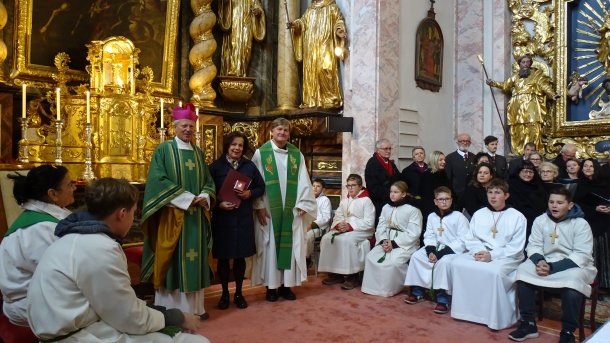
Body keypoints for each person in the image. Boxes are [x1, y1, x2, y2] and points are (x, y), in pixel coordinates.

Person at [27, 178, 210, 343]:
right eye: (133, 213)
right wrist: (177, 317)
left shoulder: (74, 237)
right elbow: (130, 318)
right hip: (80, 336)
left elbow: (118, 305)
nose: (133, 219)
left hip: (83, 325)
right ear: (122, 213)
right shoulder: (98, 249)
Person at [140, 103, 216, 320]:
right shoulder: (164, 150)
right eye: (184, 126)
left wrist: (205, 195)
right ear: (175, 127)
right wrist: (187, 199)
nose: (188, 130)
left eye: (192, 126)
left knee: (196, 259)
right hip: (173, 217)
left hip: (197, 218)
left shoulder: (199, 153)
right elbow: (157, 181)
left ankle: (196, 309)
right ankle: (172, 310)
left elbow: (208, 181)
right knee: (172, 260)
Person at [509, 188, 597, 343]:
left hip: (573, 265)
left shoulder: (580, 224)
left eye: (559, 203)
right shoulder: (540, 220)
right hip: (545, 261)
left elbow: (582, 254)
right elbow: (534, 245)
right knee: (523, 271)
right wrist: (540, 261)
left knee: (573, 284)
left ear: (570, 205)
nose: (554, 206)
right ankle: (528, 324)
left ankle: (568, 331)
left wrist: (552, 267)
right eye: (551, 202)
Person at [251, 117, 317, 302]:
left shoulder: (297, 155)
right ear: (271, 132)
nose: (282, 133)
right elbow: (256, 182)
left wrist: (304, 203)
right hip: (270, 211)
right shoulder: (261, 154)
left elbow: (304, 180)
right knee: (270, 246)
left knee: (291, 245)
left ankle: (287, 286)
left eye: (286, 130)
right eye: (279, 129)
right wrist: (259, 207)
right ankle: (271, 288)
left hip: (291, 211)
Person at [0, 165, 74, 327]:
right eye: (69, 185)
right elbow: (58, 275)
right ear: (53, 194)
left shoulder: (42, 219)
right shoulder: (41, 228)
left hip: (40, 296)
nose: (73, 188)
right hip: (28, 304)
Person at [450, 179, 527, 330]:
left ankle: (495, 317)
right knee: (457, 263)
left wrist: (492, 255)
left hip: (507, 256)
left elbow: (516, 247)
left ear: (506, 195)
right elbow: (470, 238)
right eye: (490, 192)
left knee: (495, 272)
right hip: (480, 251)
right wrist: (480, 251)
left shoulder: (517, 217)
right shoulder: (479, 214)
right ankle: (466, 312)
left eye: (497, 193)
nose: (493, 196)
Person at [209, 132, 265, 310]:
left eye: (240, 145)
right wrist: (218, 203)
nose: (237, 148)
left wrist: (250, 193)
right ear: (227, 146)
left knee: (240, 258)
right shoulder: (215, 167)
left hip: (242, 219)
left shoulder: (249, 166)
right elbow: (207, 190)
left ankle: (239, 293)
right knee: (224, 259)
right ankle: (224, 294)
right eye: (234, 145)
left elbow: (261, 186)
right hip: (223, 219)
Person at [404, 186, 469, 314]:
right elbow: (428, 235)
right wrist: (430, 251)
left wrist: (439, 254)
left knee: (443, 263)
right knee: (417, 257)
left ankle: (443, 298)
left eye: (447, 199)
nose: (444, 202)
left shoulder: (459, 216)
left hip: (453, 250)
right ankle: (418, 291)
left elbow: (463, 240)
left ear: (451, 200)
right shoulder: (432, 216)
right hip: (434, 247)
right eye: (440, 199)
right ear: (435, 201)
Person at [486, 54, 560, 154]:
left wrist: (552, 94)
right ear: (519, 64)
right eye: (523, 62)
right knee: (518, 127)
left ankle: (534, 150)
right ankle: (520, 151)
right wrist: (493, 83)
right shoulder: (515, 77)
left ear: (530, 63)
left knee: (533, 125)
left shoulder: (537, 75)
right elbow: (505, 85)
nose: (525, 64)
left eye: (527, 62)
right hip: (517, 104)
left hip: (531, 102)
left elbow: (544, 86)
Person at [361, 181, 422, 297]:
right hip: (386, 241)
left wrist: (394, 243)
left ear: (404, 194)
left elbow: (414, 232)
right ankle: (373, 288)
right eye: (391, 192)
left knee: (393, 262)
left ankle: (391, 288)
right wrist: (383, 240)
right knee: (370, 257)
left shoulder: (413, 210)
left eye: (396, 192)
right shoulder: (386, 207)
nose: (392, 195)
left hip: (405, 244)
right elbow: (380, 226)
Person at [318, 174, 375, 290]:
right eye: (348, 185)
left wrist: (350, 226)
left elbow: (369, 222)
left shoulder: (366, 201)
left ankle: (353, 276)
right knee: (327, 239)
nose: (350, 188)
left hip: (362, 230)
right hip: (345, 229)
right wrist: (339, 225)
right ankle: (336, 273)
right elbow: (338, 215)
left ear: (360, 186)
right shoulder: (345, 201)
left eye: (353, 185)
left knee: (347, 241)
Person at [287, 0, 347, 109]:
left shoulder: (332, 7)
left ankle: (330, 99)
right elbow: (302, 23)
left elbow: (339, 21)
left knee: (325, 69)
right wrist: (296, 25)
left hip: (325, 44)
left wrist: (339, 30)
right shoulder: (310, 10)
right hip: (310, 46)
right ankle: (311, 100)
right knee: (311, 71)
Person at [573, 158, 610, 288]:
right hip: (588, 222)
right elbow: (576, 204)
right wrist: (594, 209)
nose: (588, 168)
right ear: (581, 169)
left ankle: (605, 284)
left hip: (605, 221)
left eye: (591, 166)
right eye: (585, 166)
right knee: (593, 254)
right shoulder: (578, 184)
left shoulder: (604, 182)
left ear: (596, 168)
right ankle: (593, 285)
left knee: (605, 254)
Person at [217, 0, 266, 77]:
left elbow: (257, 6)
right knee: (233, 45)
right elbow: (224, 4)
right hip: (234, 24)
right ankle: (232, 69)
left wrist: (258, 11)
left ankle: (242, 71)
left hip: (246, 24)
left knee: (245, 47)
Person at [365, 139, 401, 225]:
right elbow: (372, 187)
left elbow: (399, 178)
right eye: (385, 149)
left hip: (393, 200)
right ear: (378, 150)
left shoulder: (391, 163)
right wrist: (390, 193)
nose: (388, 151)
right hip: (379, 202)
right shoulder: (372, 163)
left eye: (389, 148)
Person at [508, 161, 547, 240]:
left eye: (531, 172)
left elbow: (543, 203)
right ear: (519, 172)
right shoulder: (511, 184)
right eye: (525, 171)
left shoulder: (538, 185)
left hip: (535, 221)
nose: (528, 174)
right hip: (515, 220)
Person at [444, 133, 476, 209]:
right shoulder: (450, 158)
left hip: (471, 195)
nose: (465, 143)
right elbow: (448, 178)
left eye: (467, 141)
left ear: (470, 143)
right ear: (457, 142)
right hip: (456, 197)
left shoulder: (474, 157)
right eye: (462, 141)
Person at [306, 178, 332, 259]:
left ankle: (307, 258)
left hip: (320, 227)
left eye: (318, 186)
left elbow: (326, 217)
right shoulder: (308, 199)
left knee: (306, 237)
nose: (315, 188)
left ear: (323, 189)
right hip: (306, 225)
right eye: (313, 186)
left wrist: (311, 225)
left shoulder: (325, 200)